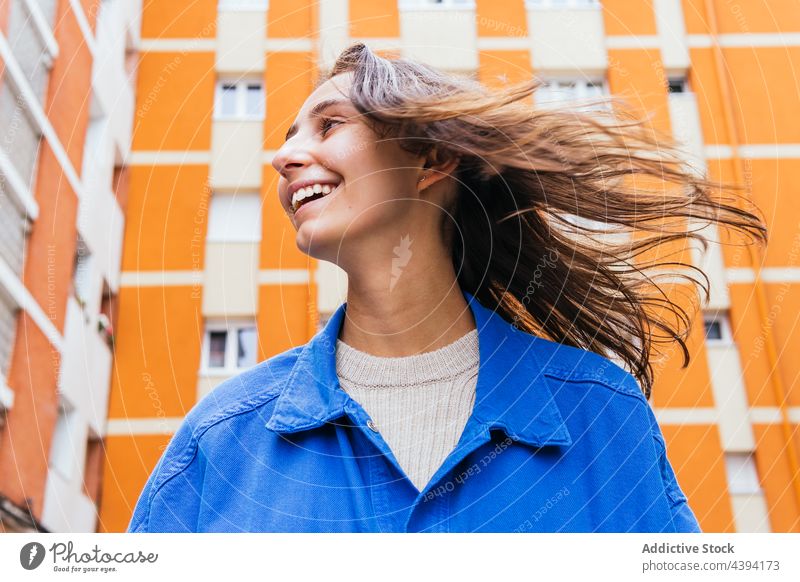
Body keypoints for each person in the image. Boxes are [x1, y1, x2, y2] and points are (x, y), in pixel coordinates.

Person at [128, 42, 766, 532]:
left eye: (328, 125)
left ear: (432, 160)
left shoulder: (600, 413)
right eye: (291, 135)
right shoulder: (222, 442)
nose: (283, 156)